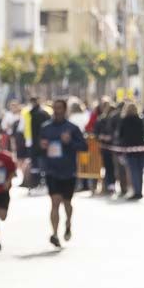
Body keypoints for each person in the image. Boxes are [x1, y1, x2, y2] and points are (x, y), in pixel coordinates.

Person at [37, 98, 87, 247]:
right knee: (54, 202)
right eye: (55, 108)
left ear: (65, 110)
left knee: (67, 202)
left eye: (60, 108)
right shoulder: (45, 128)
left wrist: (69, 142)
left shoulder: (72, 128)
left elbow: (84, 147)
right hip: (52, 170)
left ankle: (68, 222)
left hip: (69, 171)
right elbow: (37, 148)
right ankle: (54, 233)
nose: (57, 111)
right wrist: (42, 146)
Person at [117, 102, 144, 201]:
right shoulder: (140, 120)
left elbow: (120, 135)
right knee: (139, 171)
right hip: (140, 148)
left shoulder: (124, 120)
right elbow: (143, 133)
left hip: (130, 149)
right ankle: (139, 191)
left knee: (133, 170)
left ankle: (136, 191)